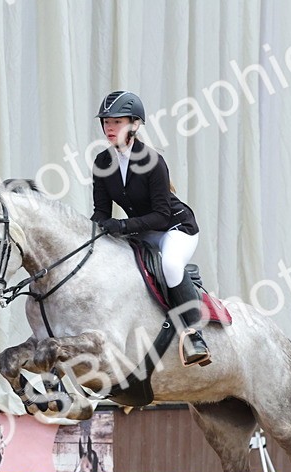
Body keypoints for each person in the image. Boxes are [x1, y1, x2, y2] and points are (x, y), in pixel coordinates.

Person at [90, 90, 210, 367]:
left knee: (169, 264)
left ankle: (194, 334)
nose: (109, 127)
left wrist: (121, 225)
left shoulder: (153, 161)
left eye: (117, 122)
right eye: (106, 122)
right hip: (141, 231)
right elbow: (101, 211)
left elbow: (160, 215)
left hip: (175, 228)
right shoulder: (102, 162)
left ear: (134, 124)